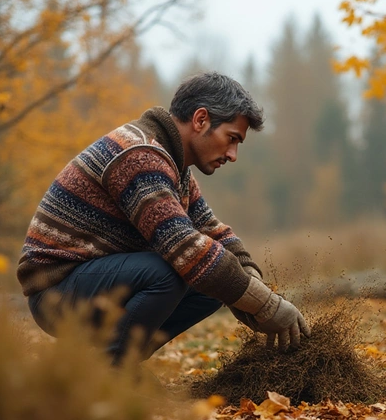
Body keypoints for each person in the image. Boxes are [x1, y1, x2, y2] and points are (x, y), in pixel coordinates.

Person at [17, 72, 310, 364]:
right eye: (231, 139)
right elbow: (185, 246)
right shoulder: (140, 156)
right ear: (200, 119)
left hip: (92, 284)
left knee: (211, 285)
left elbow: (211, 231)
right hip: (55, 293)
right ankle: (110, 371)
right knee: (174, 269)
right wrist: (266, 306)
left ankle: (121, 361)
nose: (233, 154)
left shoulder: (174, 166)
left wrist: (256, 289)